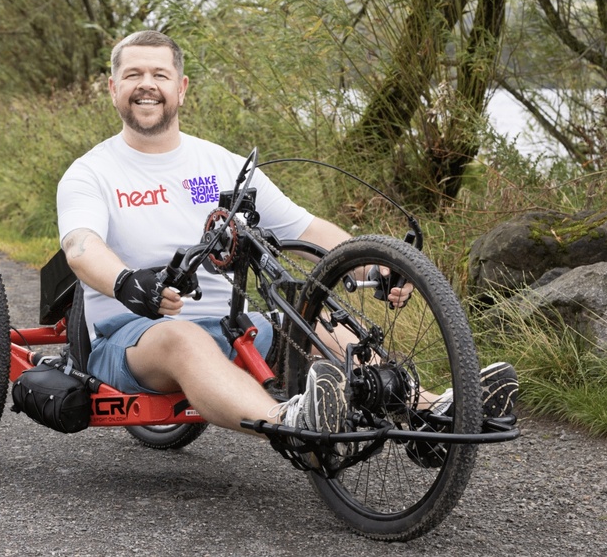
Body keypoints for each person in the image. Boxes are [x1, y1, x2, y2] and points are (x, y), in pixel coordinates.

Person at [56, 30, 516, 450]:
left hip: (230, 329)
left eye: (160, 73)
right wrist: (125, 282)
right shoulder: (92, 172)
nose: (147, 84)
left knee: (319, 325)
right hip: (132, 340)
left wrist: (376, 266)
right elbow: (80, 246)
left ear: (182, 87)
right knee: (183, 336)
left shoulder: (218, 165)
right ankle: (290, 420)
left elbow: (305, 229)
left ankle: (432, 410)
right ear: (113, 88)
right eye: (133, 74)